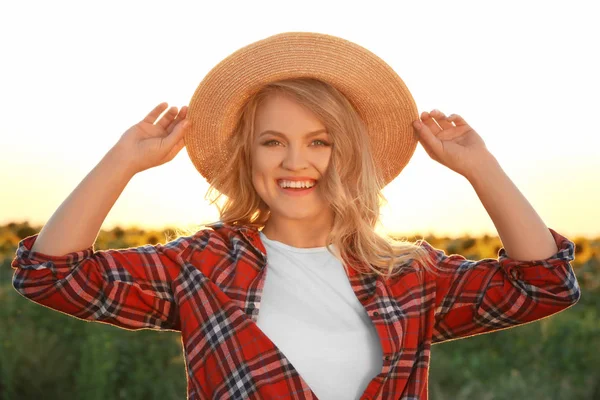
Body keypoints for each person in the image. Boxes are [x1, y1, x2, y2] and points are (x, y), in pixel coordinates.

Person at [11, 32, 580, 400]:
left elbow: (545, 285)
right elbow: (52, 276)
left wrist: (481, 168)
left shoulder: (409, 275)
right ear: (248, 155)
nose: (295, 162)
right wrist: (122, 162)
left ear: (349, 154)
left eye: (320, 141)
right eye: (272, 141)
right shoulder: (202, 267)